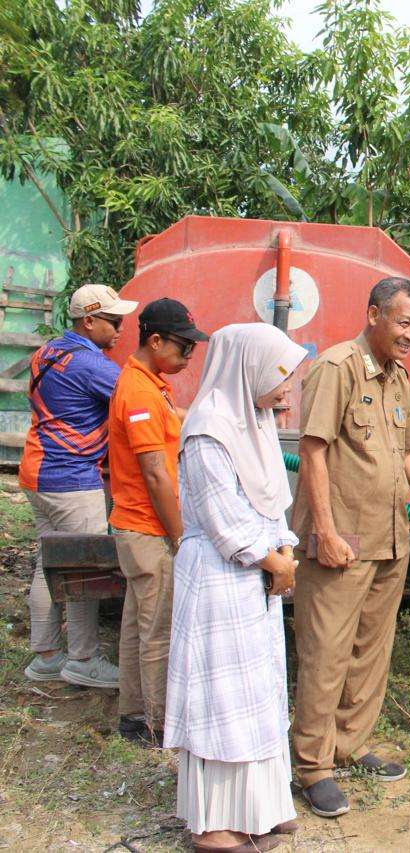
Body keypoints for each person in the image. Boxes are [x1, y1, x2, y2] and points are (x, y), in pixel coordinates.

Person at [290, 278, 410, 818]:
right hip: (343, 541)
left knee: (371, 648)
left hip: (390, 538)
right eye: (404, 322)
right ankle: (313, 766)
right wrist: (326, 530)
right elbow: (313, 452)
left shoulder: (401, 379)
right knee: (327, 651)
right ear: (373, 315)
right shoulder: (338, 368)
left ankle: (351, 743)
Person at [165, 324, 306, 853]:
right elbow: (225, 523)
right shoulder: (208, 430)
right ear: (248, 367)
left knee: (258, 693)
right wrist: (278, 562)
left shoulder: (257, 421)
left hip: (258, 577)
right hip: (222, 581)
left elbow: (273, 500)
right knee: (221, 697)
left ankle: (258, 808)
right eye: (282, 377)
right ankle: (213, 824)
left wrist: (284, 550)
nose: (288, 390)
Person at [20, 284, 136, 690]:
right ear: (89, 321)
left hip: (37, 472)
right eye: (115, 321)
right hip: (71, 478)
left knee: (48, 561)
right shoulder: (91, 365)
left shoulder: (46, 354)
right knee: (85, 571)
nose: (121, 329)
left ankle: (47, 656)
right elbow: (139, 404)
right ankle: (83, 658)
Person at [107, 297, 207, 744]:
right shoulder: (141, 392)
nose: (189, 356)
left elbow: (174, 422)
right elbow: (154, 473)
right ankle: (158, 723)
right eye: (185, 348)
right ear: (156, 340)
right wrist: (180, 535)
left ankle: (133, 716)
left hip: (137, 525)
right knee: (159, 631)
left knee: (136, 624)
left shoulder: (151, 385)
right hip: (148, 528)